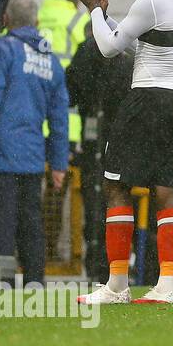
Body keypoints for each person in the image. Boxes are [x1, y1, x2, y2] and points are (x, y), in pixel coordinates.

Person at [75, 0, 173, 305]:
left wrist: (94, 10)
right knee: (164, 191)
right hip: (172, 99)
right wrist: (106, 14)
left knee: (116, 186)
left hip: (145, 99)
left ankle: (117, 285)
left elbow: (108, 47)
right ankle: (165, 287)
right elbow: (137, 41)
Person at [0, 0, 69, 287]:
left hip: (2, 154)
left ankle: (3, 283)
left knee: (3, 223)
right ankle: (35, 283)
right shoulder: (50, 61)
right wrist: (59, 163)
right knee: (31, 223)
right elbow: (59, 118)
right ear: (37, 24)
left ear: (6, 20)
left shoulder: (3, 50)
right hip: (32, 157)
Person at [66, 17, 133, 284]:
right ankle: (102, 268)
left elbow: (72, 90)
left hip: (111, 146)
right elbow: (72, 91)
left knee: (109, 205)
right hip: (102, 144)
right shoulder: (95, 59)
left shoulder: (123, 63)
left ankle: (108, 268)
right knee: (100, 206)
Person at [38, 0, 89, 263]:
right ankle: (50, 250)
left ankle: (26, 246)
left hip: (31, 122)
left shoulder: (28, 21)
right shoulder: (79, 24)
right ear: (75, 1)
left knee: (26, 186)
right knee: (57, 189)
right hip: (65, 124)